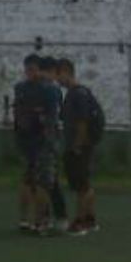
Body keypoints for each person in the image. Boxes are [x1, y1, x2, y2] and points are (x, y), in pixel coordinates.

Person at [13, 55, 62, 235]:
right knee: (43, 183)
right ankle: (41, 221)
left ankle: (24, 219)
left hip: (24, 140)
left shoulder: (19, 88)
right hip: (44, 141)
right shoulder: (50, 89)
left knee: (27, 180)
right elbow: (55, 114)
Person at [57, 58, 104, 235]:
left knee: (82, 186)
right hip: (80, 145)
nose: (57, 80)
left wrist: (77, 145)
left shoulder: (78, 94)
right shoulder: (74, 94)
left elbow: (82, 121)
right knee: (84, 184)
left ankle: (79, 222)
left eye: (58, 75)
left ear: (66, 72)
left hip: (79, 146)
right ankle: (90, 219)